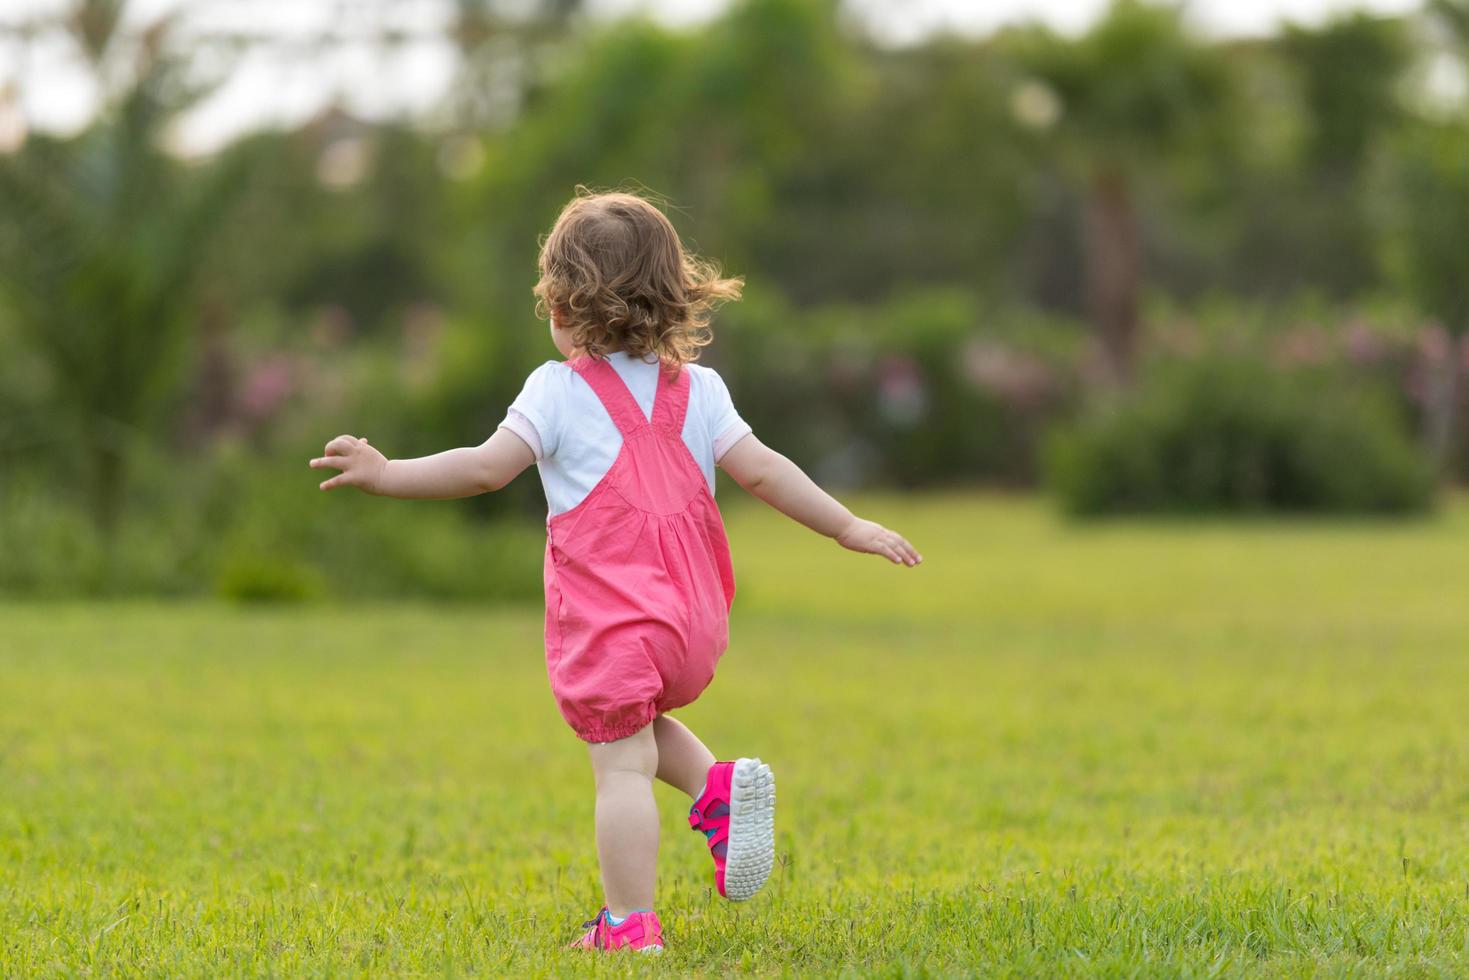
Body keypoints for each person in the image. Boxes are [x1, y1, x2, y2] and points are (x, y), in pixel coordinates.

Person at [309, 189, 922, 953]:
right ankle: (717, 791)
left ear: (566, 306)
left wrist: (388, 471)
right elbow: (765, 472)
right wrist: (847, 525)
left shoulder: (557, 390)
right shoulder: (700, 390)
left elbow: (482, 470)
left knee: (620, 766)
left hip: (614, 614)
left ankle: (629, 924)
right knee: (636, 726)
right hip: (694, 618)